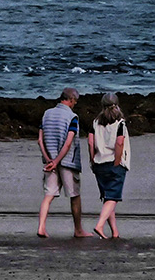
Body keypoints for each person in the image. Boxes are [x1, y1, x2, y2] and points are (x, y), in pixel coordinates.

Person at [37, 87, 89, 238]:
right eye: (75, 101)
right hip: (67, 162)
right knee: (74, 195)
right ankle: (78, 230)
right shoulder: (72, 117)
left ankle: (41, 227)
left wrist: (49, 160)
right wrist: (58, 160)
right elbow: (68, 142)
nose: (75, 104)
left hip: (49, 160)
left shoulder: (46, 114)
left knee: (48, 195)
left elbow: (40, 140)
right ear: (71, 99)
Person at [87, 92, 131, 239]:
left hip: (99, 162)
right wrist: (118, 161)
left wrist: (92, 158)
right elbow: (119, 142)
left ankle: (114, 232)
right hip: (114, 162)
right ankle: (100, 225)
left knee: (107, 197)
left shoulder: (95, 122)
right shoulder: (120, 123)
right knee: (113, 197)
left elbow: (90, 142)